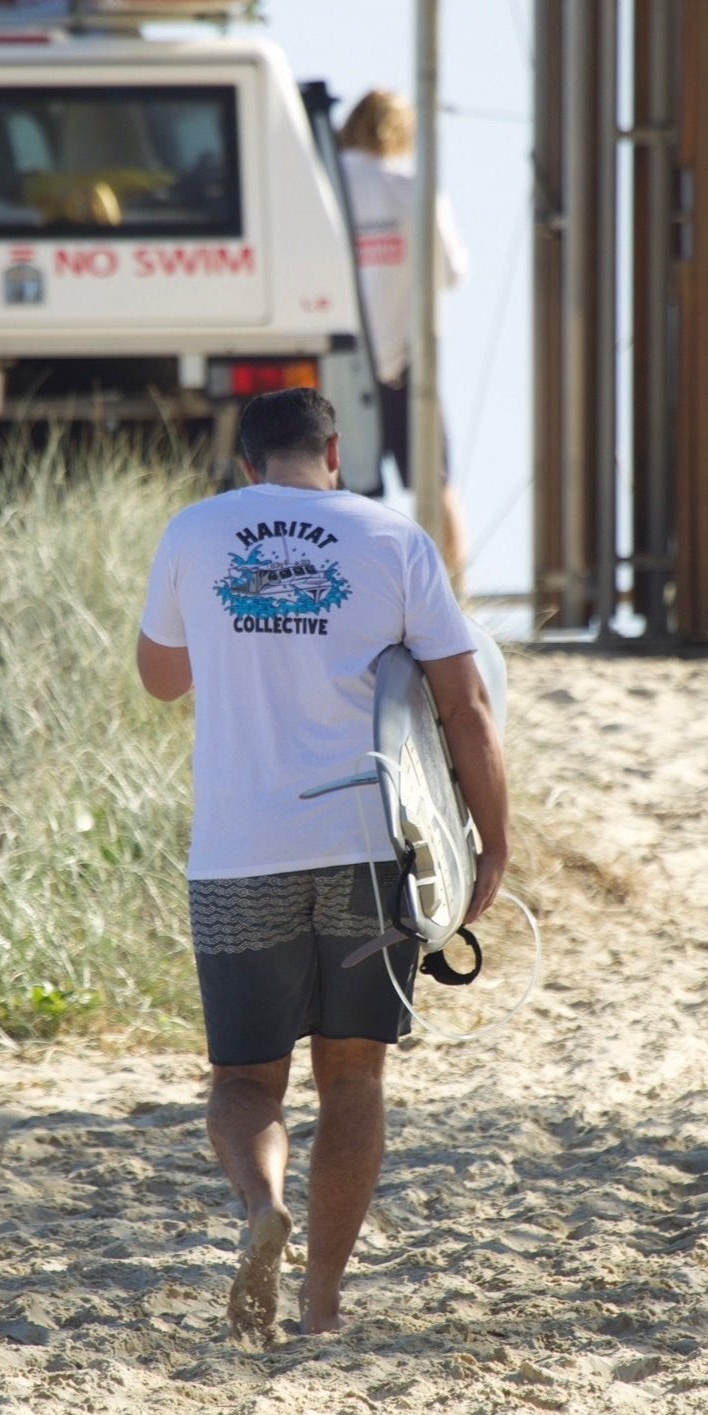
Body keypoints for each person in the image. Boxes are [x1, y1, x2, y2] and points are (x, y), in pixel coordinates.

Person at [136, 386, 509, 1339]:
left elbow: (160, 677)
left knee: (244, 1082)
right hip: (364, 853)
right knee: (353, 1079)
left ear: (247, 462)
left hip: (237, 854)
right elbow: (465, 708)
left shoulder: (196, 531)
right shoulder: (394, 540)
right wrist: (492, 844)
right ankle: (322, 1301)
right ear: (333, 451)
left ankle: (262, 1207)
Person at [338, 88, 471, 594]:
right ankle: (456, 601)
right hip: (408, 359)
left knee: (339, 491)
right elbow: (453, 270)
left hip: (342, 361)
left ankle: (351, 600)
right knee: (435, 487)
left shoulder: (324, 182)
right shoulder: (412, 187)